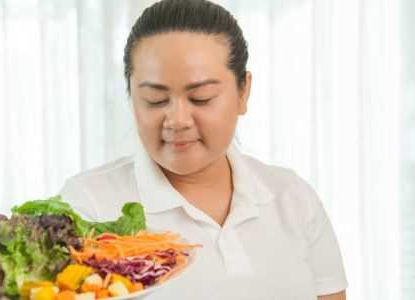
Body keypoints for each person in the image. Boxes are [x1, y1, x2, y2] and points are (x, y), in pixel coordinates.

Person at [59, 0, 348, 299]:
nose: (178, 121)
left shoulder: (292, 198)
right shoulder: (88, 204)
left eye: (201, 98)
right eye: (155, 100)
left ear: (243, 91)